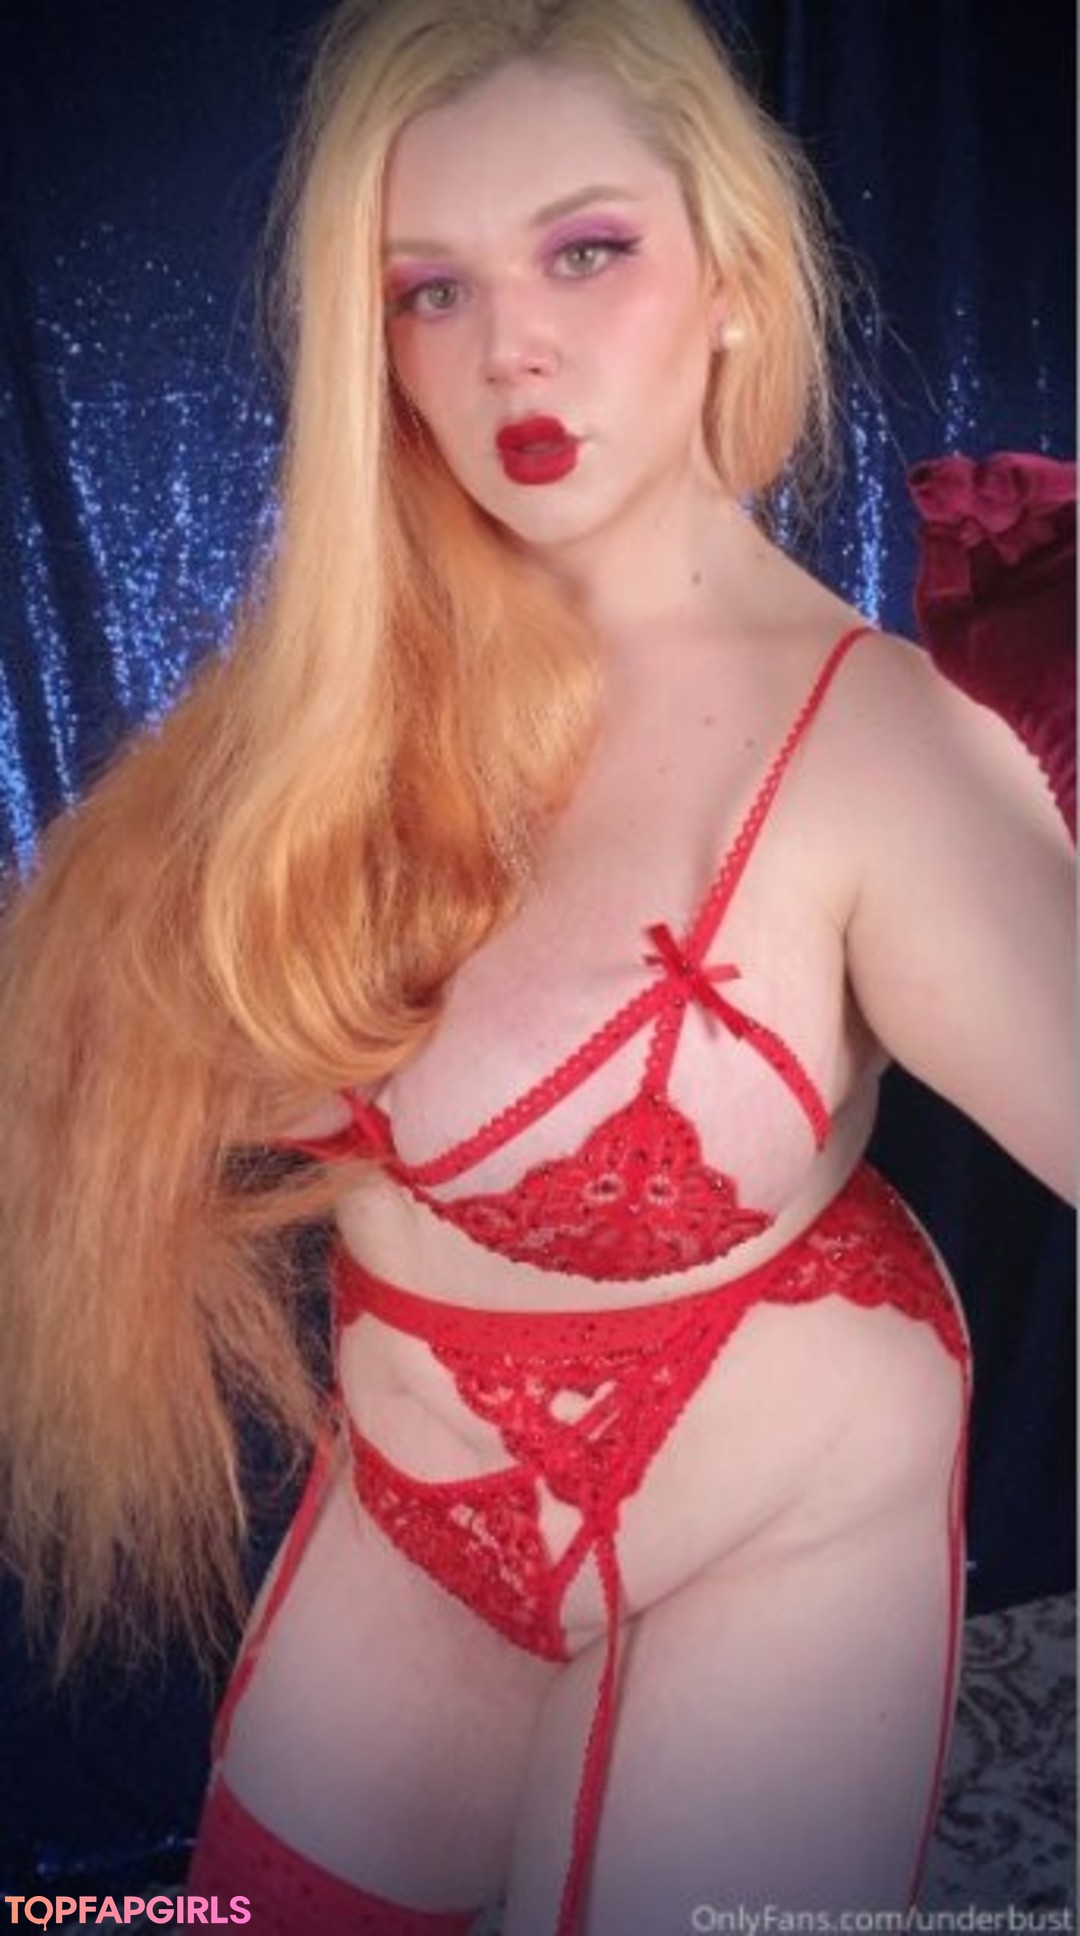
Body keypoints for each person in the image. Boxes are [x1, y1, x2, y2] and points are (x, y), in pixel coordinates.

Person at [0, 0, 1072, 1931]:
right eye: (431, 290)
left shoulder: (886, 753)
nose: (510, 348)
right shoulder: (340, 689)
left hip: (772, 1520)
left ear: (732, 279)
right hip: (412, 1508)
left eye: (587, 251)